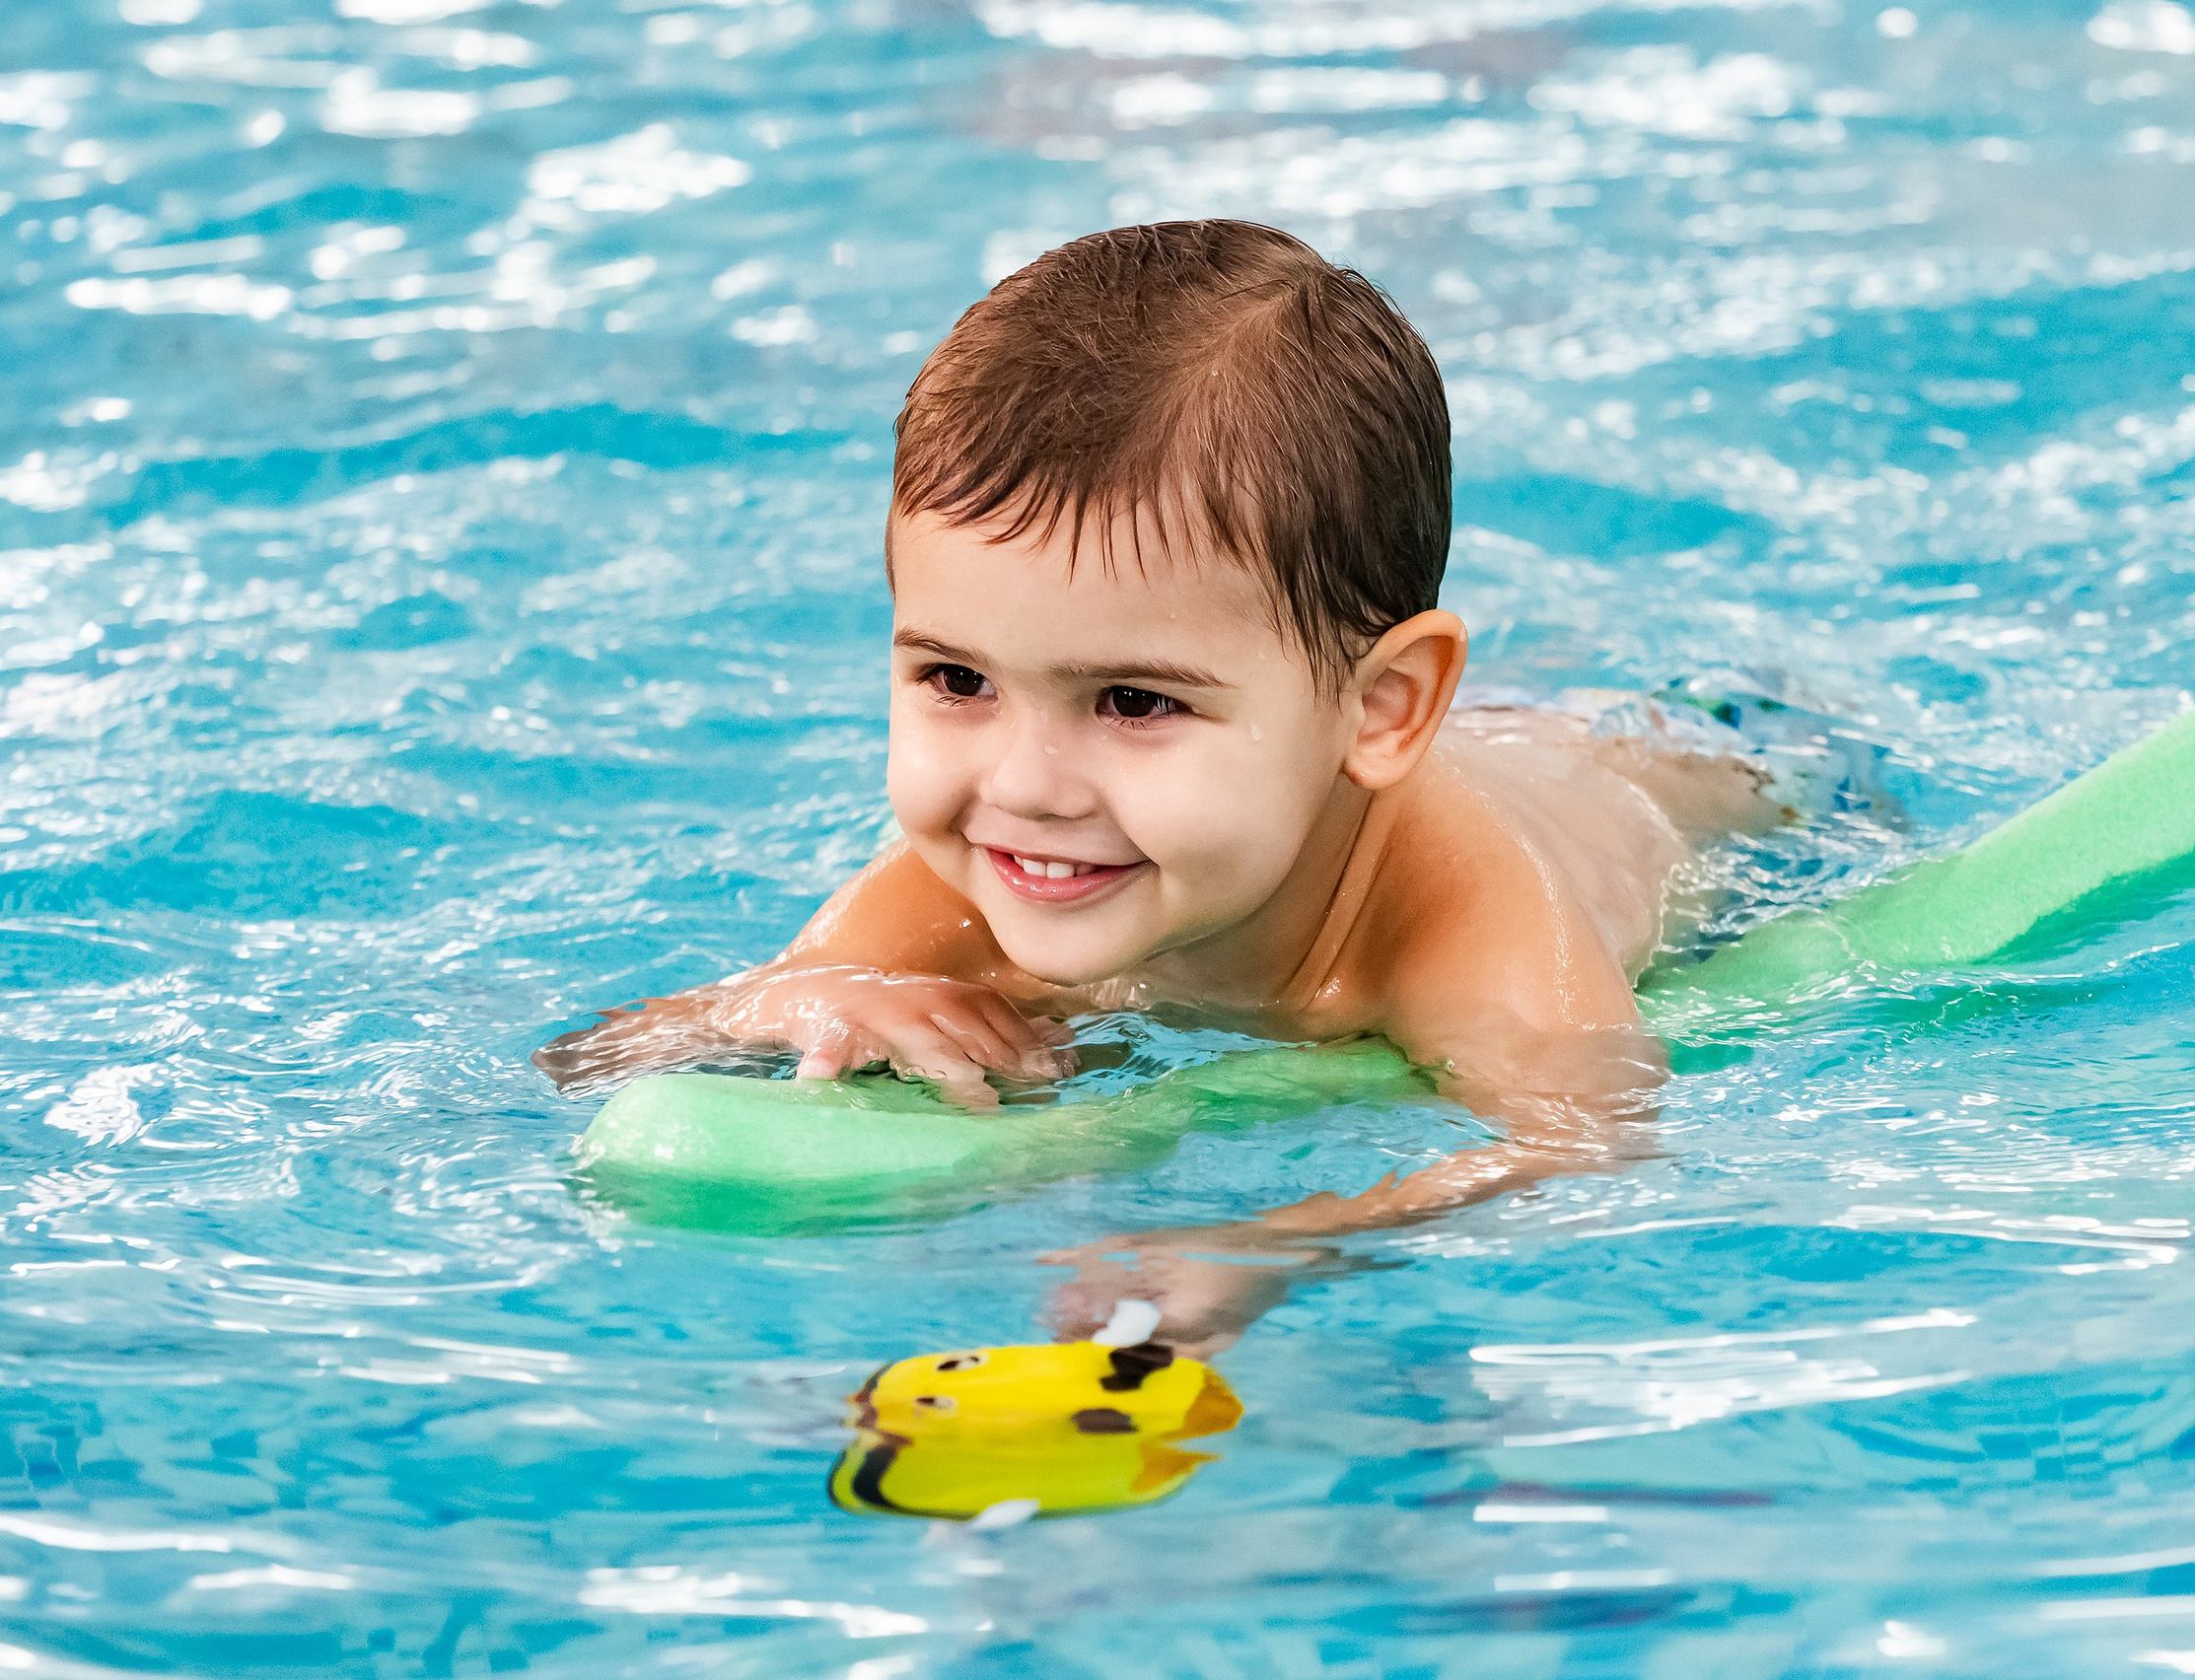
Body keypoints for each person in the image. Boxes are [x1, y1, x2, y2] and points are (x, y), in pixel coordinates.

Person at [537, 220, 1782, 1352]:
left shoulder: (1460, 917)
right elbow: (584, 1061)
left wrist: (1277, 1245)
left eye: (1134, 702)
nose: (1023, 786)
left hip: (1713, 780)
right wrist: (785, 1004)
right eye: (956, 679)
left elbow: (1586, 1145)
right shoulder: (960, 880)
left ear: (1382, 708)